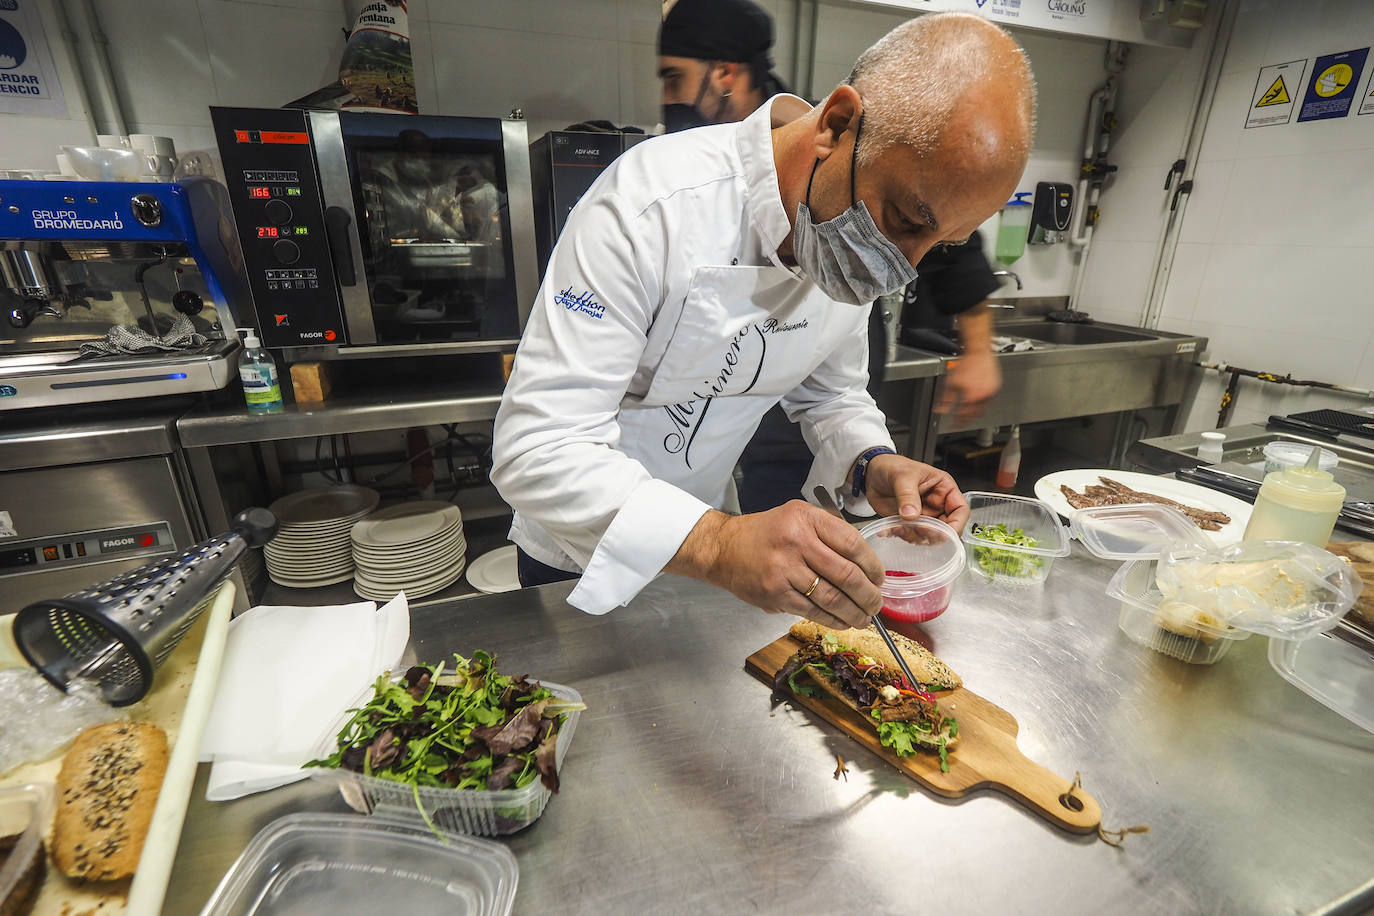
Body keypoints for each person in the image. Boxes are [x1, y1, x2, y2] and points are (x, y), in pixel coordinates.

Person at [492, 13, 1036, 630]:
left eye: (939, 245)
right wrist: (722, 545)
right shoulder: (649, 205)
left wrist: (870, 463)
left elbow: (832, 394)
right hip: (579, 552)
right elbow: (539, 447)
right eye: (909, 219)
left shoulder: (847, 236)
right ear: (836, 124)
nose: (900, 268)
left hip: (709, 539)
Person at [657, 0, 791, 132]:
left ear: (725, 72)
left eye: (675, 81)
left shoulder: (804, 146)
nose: (666, 100)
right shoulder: (673, 143)